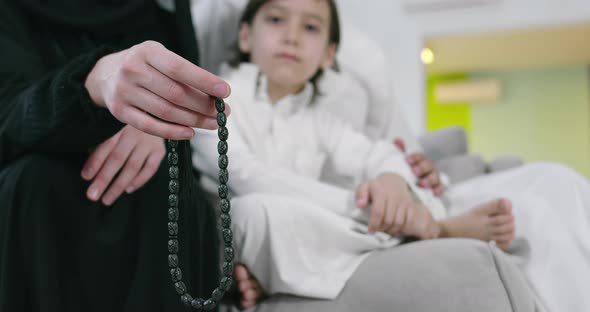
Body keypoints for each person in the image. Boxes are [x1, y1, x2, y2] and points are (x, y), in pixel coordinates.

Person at [191, 0, 518, 308]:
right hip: (247, 228)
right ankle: (426, 229)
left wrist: (391, 181)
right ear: (246, 36)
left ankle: (279, 275)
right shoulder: (217, 101)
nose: (291, 37)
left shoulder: (323, 121)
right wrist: (364, 209)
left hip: (310, 229)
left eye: (310, 28)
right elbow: (247, 177)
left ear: (328, 55)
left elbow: (379, 154)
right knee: (252, 211)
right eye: (276, 20)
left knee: (396, 184)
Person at [0, 0, 232, 311]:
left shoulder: (159, 9)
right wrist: (92, 86)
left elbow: (183, 100)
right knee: (37, 181)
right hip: (33, 183)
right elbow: (9, 114)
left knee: (165, 187)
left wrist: (154, 120)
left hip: (150, 181)